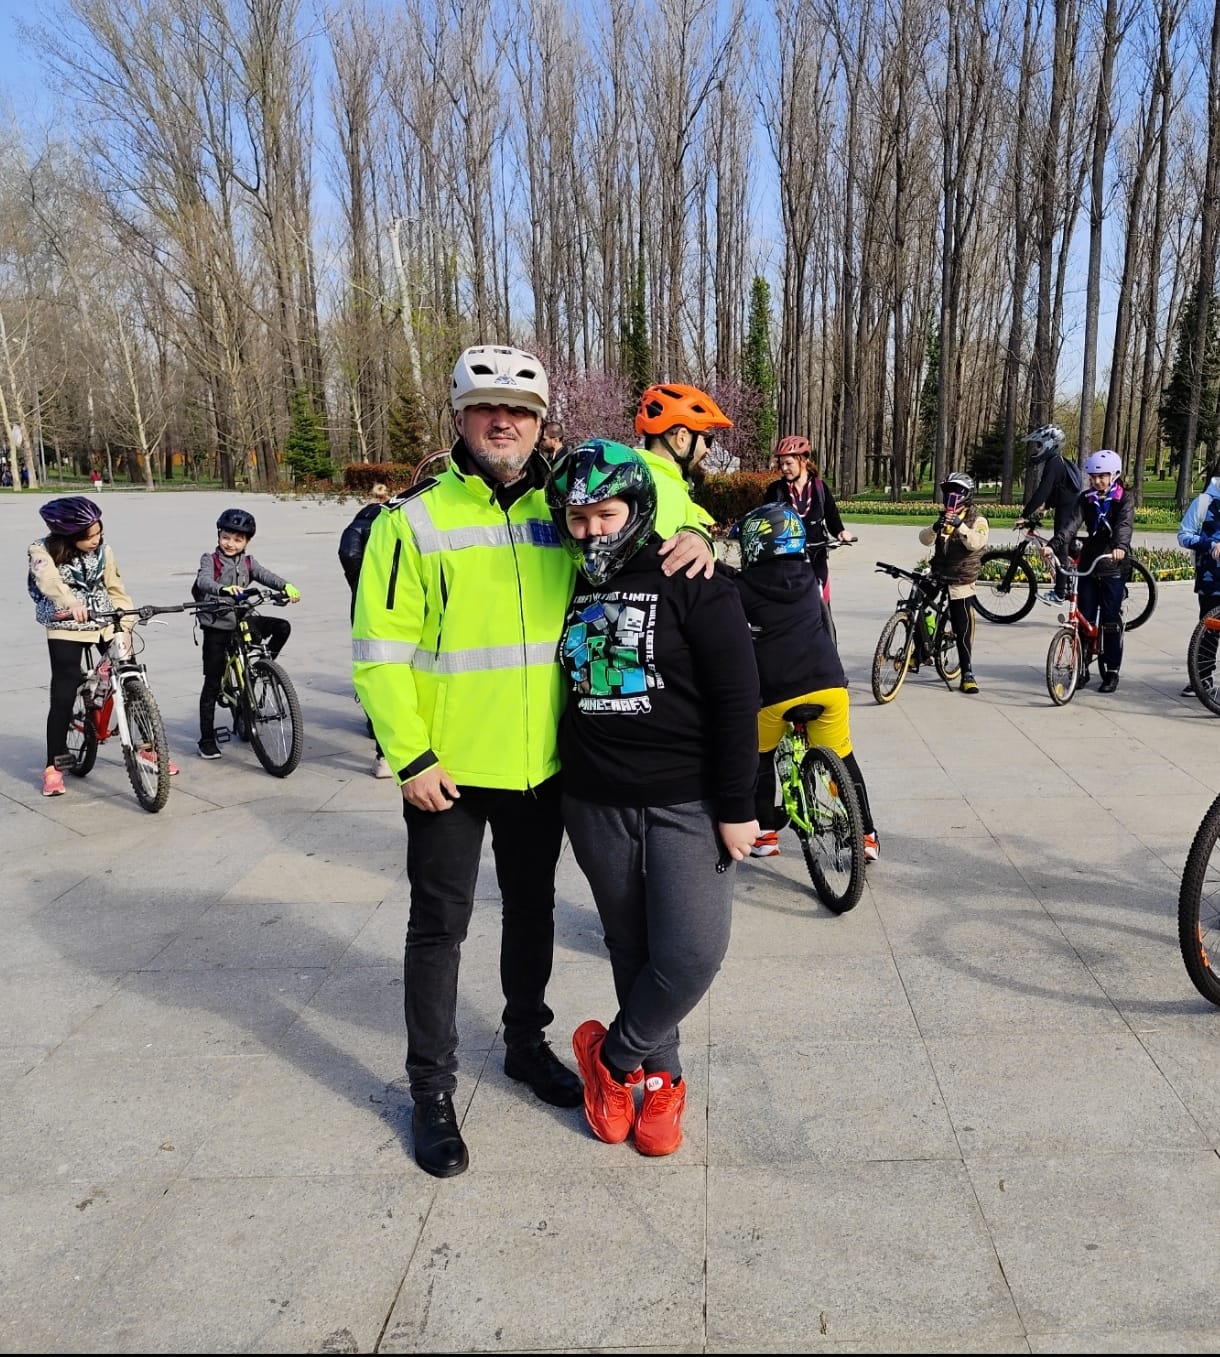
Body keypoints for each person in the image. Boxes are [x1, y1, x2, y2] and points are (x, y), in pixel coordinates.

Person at [351, 346, 715, 1180]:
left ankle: (524, 1044)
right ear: (459, 416)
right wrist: (410, 755)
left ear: (542, 421)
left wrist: (696, 529)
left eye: (519, 409)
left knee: (531, 911)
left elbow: (657, 491)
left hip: (544, 764)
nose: (503, 421)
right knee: (438, 928)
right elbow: (378, 651)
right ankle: (431, 1090)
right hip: (446, 769)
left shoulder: (566, 500)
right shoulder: (413, 522)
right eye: (486, 407)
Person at [547, 439, 760, 1157]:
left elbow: (737, 700)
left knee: (692, 953)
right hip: (593, 801)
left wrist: (738, 806)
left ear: (636, 508)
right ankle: (662, 1079)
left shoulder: (691, 578)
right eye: (577, 519)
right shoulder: (562, 580)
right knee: (631, 947)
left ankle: (608, 1058)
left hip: (687, 802)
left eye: (605, 515)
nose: (591, 532)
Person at [729, 502, 879, 862]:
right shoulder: (810, 577)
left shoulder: (741, 587)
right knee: (843, 756)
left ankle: (765, 834)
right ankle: (867, 835)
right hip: (829, 684)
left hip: (776, 693)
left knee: (758, 758)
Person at [28, 496, 140, 796]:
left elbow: (115, 588)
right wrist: (71, 603)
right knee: (63, 692)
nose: (96, 540)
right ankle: (53, 765)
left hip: (104, 619)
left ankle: (148, 747)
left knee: (131, 678)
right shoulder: (42, 550)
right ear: (68, 535)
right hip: (66, 622)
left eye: (99, 533)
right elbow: (49, 581)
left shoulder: (105, 551)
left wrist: (126, 621)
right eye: (89, 536)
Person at [194, 508, 300, 759]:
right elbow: (203, 581)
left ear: (247, 542)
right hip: (217, 623)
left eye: (237, 539)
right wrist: (223, 590)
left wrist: (286, 586)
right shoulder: (210, 559)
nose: (230, 544)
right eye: (226, 537)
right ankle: (206, 740)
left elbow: (266, 576)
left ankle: (262, 669)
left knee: (282, 627)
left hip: (242, 617)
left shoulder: (249, 562)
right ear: (219, 535)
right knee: (212, 683)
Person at [1045, 449, 1132, 694]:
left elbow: (1124, 525)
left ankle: (1111, 670)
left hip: (1113, 563)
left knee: (1110, 619)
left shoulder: (1124, 499)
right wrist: (1053, 545)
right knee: (1084, 616)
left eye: (1102, 476)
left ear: (1114, 475)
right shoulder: (1086, 498)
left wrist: (1120, 547)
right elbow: (1071, 525)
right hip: (1089, 562)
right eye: (1093, 477)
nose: (1097, 481)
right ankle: (1081, 668)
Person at [339, 477, 393, 777]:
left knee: (372, 666)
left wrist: (359, 582)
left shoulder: (356, 525)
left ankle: (374, 726)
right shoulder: (392, 520)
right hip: (396, 603)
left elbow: (347, 554)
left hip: (363, 605)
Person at [918, 471, 989, 694]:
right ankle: (919, 652)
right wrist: (935, 527)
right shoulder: (943, 518)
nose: (951, 496)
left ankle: (967, 672)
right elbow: (924, 539)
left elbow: (976, 543)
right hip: (939, 572)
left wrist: (960, 525)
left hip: (961, 578)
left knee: (961, 625)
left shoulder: (977, 520)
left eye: (956, 492)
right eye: (948, 491)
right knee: (916, 602)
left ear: (966, 495)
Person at [762, 436, 855, 603]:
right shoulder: (776, 490)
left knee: (822, 602)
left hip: (817, 556)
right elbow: (766, 521)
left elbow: (832, 517)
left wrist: (840, 532)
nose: (784, 468)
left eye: (788, 463)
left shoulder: (820, 488)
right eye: (781, 464)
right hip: (788, 560)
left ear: (803, 460)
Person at [633, 381, 729, 541]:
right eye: (707, 440)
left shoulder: (639, 477)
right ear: (682, 438)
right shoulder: (665, 492)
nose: (708, 450)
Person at [1017, 424, 1081, 603]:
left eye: (1039, 445)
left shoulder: (1053, 463)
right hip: (1069, 507)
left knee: (1060, 547)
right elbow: (1059, 488)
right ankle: (1074, 582)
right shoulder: (1058, 461)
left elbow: (1043, 491)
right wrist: (1047, 507)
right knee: (1069, 548)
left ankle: (1060, 593)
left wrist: (1025, 514)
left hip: (1067, 510)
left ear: (1049, 444)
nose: (1037, 449)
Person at [1178, 465, 1220, 694]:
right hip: (1211, 579)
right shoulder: (1204, 502)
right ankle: (1203, 678)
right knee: (1209, 629)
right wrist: (1210, 544)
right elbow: (1184, 535)